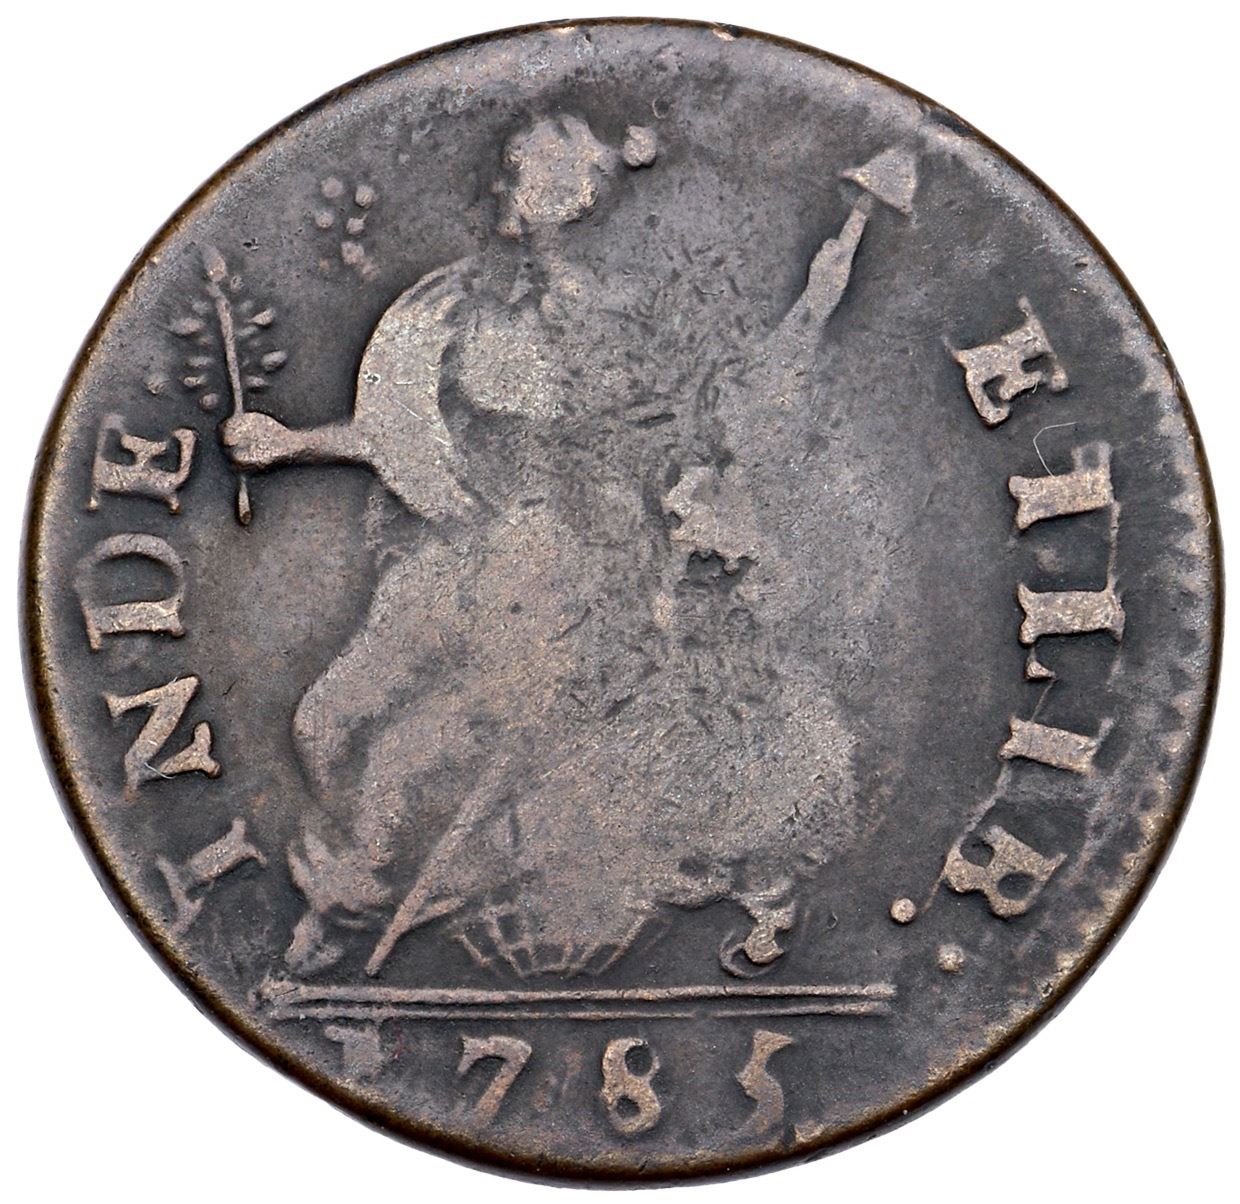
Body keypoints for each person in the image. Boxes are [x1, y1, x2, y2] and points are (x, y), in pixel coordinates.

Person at [224, 114, 869, 978]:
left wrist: (815, 307)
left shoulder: (644, 324)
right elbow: (404, 432)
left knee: (403, 764)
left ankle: (349, 912)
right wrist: (290, 445)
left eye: (547, 166)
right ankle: (389, 879)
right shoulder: (470, 311)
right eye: (523, 169)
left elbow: (721, 426)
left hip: (575, 576)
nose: (525, 184)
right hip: (460, 554)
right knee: (322, 723)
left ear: (585, 195)